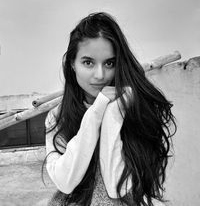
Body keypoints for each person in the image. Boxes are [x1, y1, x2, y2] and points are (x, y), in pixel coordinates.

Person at [44, 12, 176, 206]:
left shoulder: (134, 108)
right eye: (88, 62)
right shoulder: (57, 116)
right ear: (72, 64)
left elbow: (116, 186)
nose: (100, 75)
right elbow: (65, 181)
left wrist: (114, 112)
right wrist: (95, 113)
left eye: (109, 63)